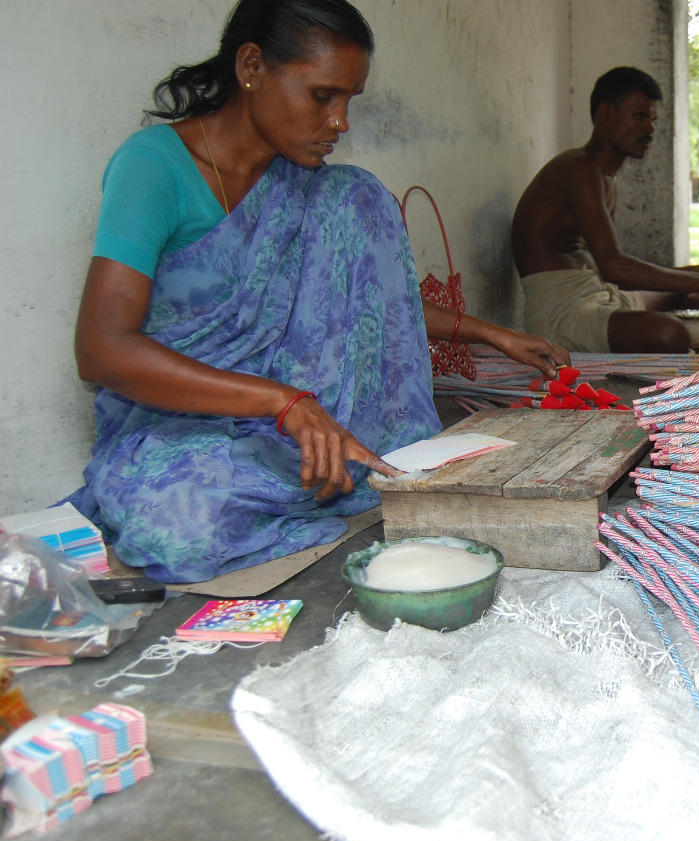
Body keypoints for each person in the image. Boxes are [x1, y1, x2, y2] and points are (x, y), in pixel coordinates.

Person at [69, 0, 569, 583]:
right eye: (323, 96)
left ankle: (340, 465)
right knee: (180, 524)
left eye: (350, 101)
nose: (341, 122)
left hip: (300, 421)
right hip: (187, 423)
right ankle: (323, 477)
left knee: (354, 195)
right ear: (252, 67)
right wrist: (283, 402)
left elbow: (377, 306)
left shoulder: (313, 190)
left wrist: (493, 334)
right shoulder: (154, 165)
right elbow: (100, 350)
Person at [512, 66, 699, 354]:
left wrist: (692, 279)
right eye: (640, 116)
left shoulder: (605, 177)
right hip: (563, 316)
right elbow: (613, 266)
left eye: (652, 119)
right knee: (669, 333)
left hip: (597, 295)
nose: (650, 128)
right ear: (606, 115)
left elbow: (610, 269)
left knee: (684, 295)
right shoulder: (577, 169)